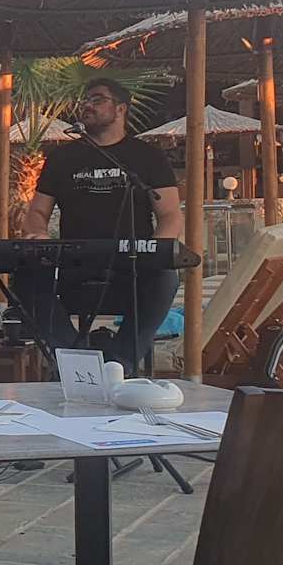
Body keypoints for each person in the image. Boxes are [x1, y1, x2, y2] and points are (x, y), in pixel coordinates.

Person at [18, 78, 182, 376]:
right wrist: (38, 233)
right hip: (73, 268)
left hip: (132, 269)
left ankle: (120, 363)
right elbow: (37, 212)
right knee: (24, 277)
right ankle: (76, 361)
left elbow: (170, 214)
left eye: (97, 99)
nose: (87, 105)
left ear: (120, 109)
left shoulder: (147, 157)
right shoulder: (62, 158)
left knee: (166, 278)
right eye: (85, 100)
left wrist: (157, 251)